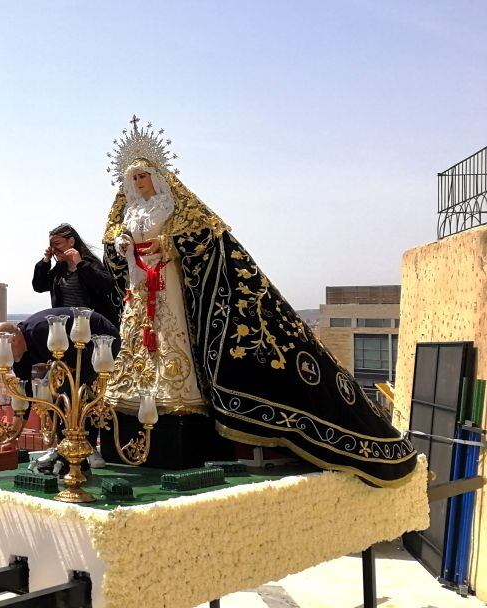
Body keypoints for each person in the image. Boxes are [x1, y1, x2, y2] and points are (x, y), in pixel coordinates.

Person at [101, 117, 416, 486]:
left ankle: (177, 391)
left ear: (157, 176)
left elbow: (204, 242)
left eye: (144, 176)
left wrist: (168, 245)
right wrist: (123, 247)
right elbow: (113, 246)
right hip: (139, 290)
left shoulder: (172, 208)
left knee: (170, 339)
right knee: (137, 341)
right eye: (133, 178)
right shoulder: (129, 211)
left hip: (167, 286)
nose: (139, 184)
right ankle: (135, 391)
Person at [0, 308, 119, 467]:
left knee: (74, 392)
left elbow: (72, 369)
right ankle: (66, 446)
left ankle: (83, 448)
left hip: (101, 338)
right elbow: (24, 398)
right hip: (77, 351)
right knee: (52, 394)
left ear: (13, 340)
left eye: (0, 351)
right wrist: (12, 439)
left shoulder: (40, 331)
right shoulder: (20, 354)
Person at [32, 224, 120, 325]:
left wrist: (81, 264)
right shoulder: (60, 269)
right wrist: (45, 262)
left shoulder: (90, 263)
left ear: (71, 242)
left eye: (57, 244)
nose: (54, 249)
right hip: (68, 329)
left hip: (94, 326)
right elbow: (39, 286)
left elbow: (106, 287)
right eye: (52, 246)